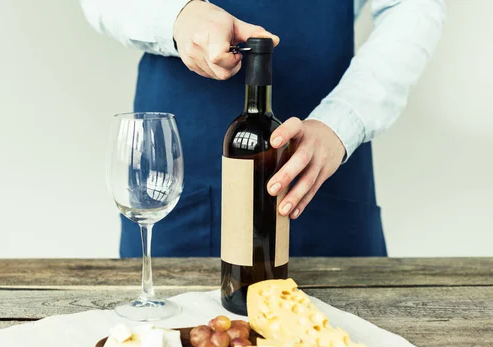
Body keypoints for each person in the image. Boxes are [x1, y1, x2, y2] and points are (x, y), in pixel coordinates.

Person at [81, 0, 445, 258]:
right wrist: (176, 17)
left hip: (322, 162)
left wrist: (342, 123)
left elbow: (413, 6)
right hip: (182, 167)